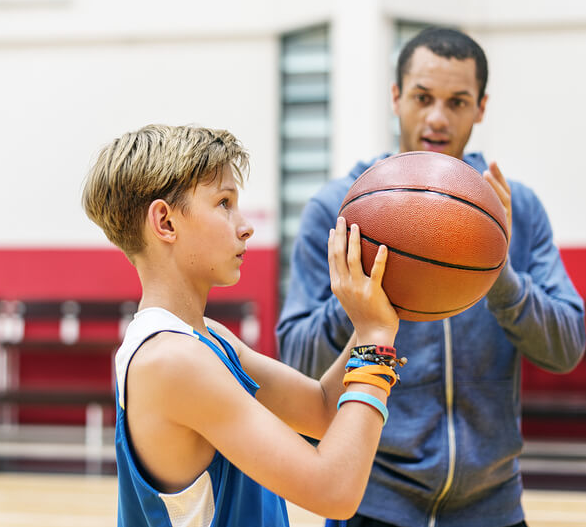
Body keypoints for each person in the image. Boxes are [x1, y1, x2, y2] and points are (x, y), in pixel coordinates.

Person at [276, 27, 586, 527]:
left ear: (481, 107)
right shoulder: (339, 209)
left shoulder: (516, 210)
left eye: (458, 101)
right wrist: (358, 297)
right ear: (396, 98)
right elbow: (297, 361)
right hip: (371, 503)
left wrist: (500, 275)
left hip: (493, 506)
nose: (438, 118)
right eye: (422, 97)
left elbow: (566, 347)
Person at [82, 124, 405, 526]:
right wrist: (376, 342)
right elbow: (334, 492)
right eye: (223, 203)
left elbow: (323, 410)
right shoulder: (172, 361)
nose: (245, 225)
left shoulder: (206, 337)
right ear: (165, 222)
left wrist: (373, 317)